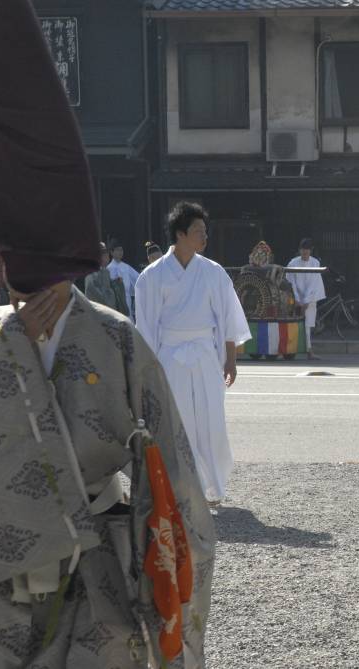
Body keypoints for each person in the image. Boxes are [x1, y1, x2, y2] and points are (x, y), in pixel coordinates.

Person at [0, 1, 214, 664]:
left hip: (103, 591)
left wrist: (176, 615)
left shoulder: (117, 342)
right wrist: (10, 354)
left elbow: (174, 485)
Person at [135, 201, 251, 506]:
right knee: (178, 421)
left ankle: (213, 485)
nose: (204, 236)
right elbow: (146, 328)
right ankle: (182, 485)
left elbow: (227, 318)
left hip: (205, 354)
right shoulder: (152, 276)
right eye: (198, 230)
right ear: (181, 234)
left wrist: (231, 359)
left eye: (205, 230)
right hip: (169, 357)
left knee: (212, 420)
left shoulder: (213, 273)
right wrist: (147, 371)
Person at [287, 238, 327, 360]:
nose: (305, 252)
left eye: (307, 250)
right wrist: (298, 300)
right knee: (292, 323)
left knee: (308, 324)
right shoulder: (293, 263)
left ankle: (309, 350)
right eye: (303, 250)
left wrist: (306, 302)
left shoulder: (315, 263)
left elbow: (314, 284)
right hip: (296, 297)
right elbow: (290, 282)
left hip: (310, 297)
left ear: (311, 250)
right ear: (300, 250)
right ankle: (290, 349)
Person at [84, 241, 129, 314]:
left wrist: (116, 283)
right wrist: (109, 299)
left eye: (107, 253)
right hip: (98, 313)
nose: (107, 256)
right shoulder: (91, 273)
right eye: (104, 253)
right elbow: (93, 291)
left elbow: (108, 286)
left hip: (108, 312)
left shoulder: (105, 271)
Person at [107, 239, 140, 316]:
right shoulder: (108, 269)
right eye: (117, 250)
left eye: (121, 250)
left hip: (127, 301)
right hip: (115, 303)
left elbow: (139, 279)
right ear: (111, 252)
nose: (120, 252)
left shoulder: (126, 267)